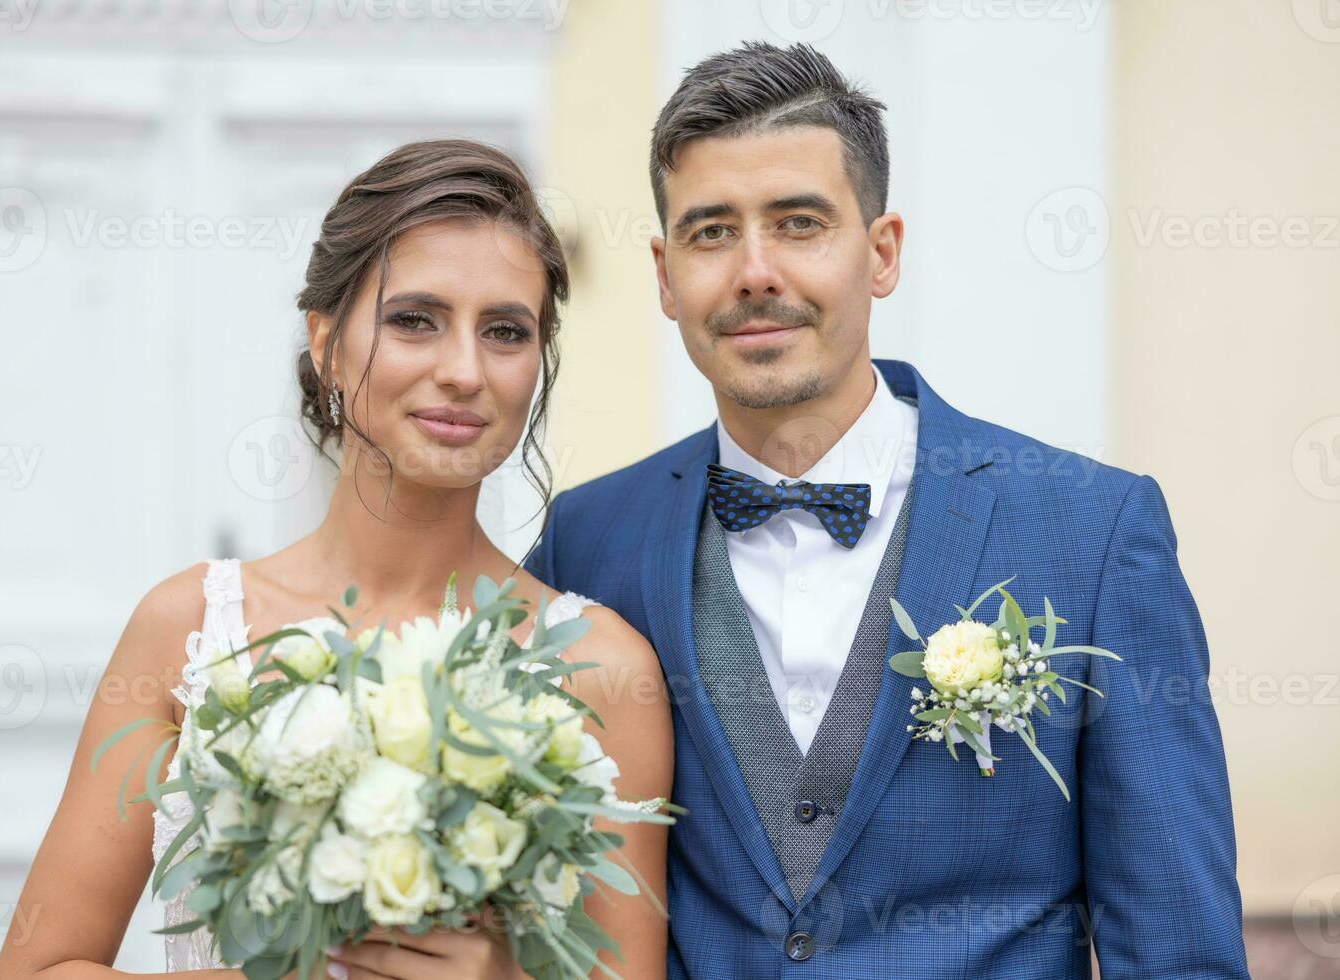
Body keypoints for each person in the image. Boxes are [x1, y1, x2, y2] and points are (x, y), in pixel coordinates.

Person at [525, 42, 1248, 978]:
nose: (754, 272)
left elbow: (1178, 945)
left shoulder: (1092, 531)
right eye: (711, 233)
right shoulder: (585, 540)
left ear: (881, 253)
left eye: (798, 223)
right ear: (665, 275)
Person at [0, 139, 672, 980]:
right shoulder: (187, 631)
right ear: (326, 342)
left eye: (505, 331)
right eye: (414, 319)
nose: (463, 370)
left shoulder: (601, 668)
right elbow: (38, 968)